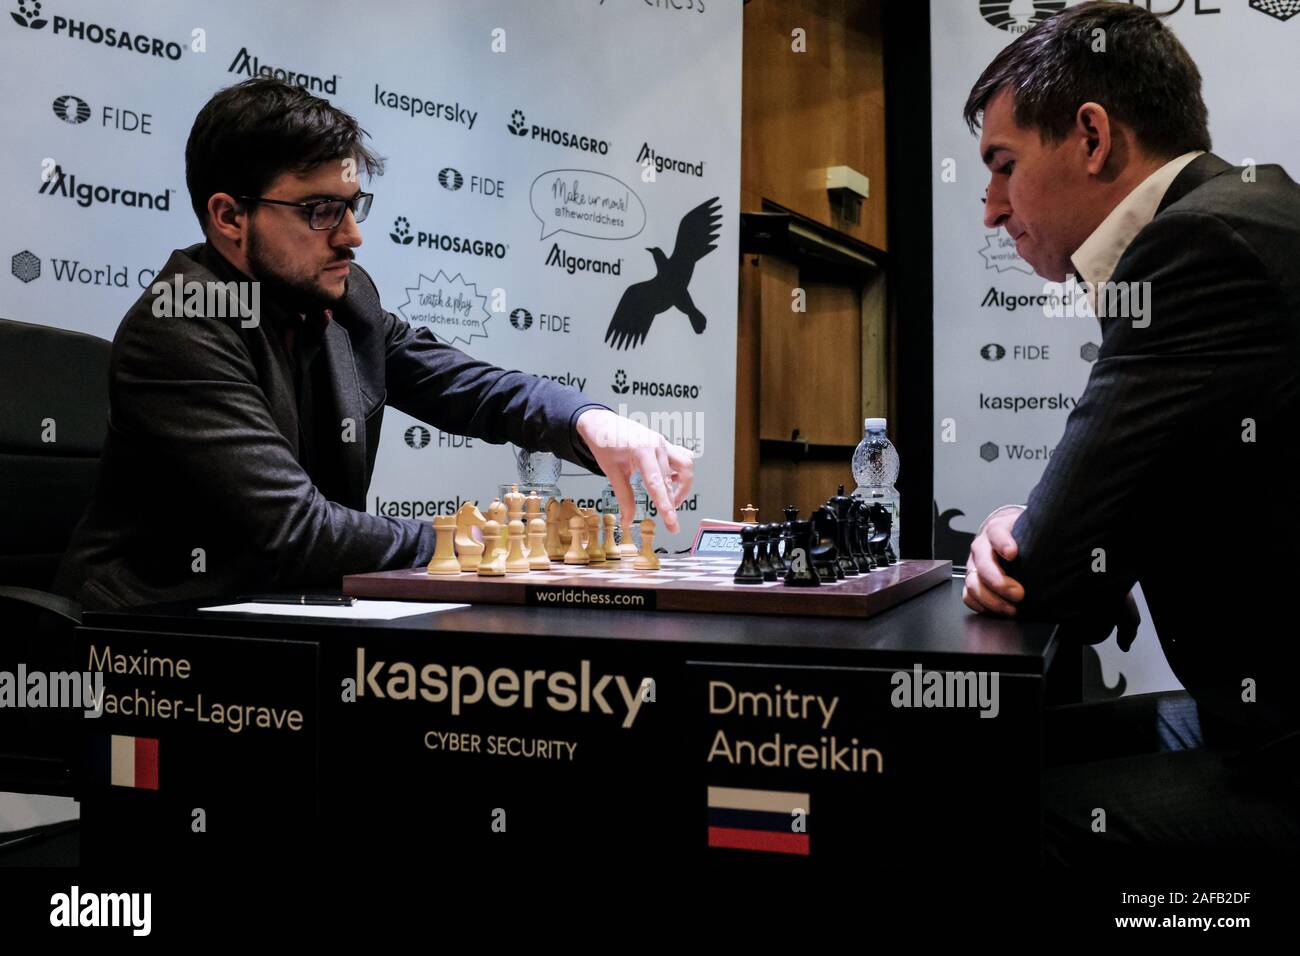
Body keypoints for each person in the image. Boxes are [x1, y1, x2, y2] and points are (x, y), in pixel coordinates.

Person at [54, 78, 693, 611]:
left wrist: (589, 421)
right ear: (229, 217)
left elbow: (466, 387)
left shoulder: (341, 298)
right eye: (321, 211)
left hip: (295, 615)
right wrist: (484, 541)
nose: (353, 235)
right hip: (164, 637)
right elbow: (299, 533)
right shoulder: (179, 327)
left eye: (355, 206)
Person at [960, 2, 1300, 863]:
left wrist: (1012, 529)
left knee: (962, 808)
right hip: (1245, 710)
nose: (992, 212)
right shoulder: (1248, 207)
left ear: (1091, 136)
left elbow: (1052, 568)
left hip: (1283, 749)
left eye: (1003, 167)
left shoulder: (1198, 247)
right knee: (992, 754)